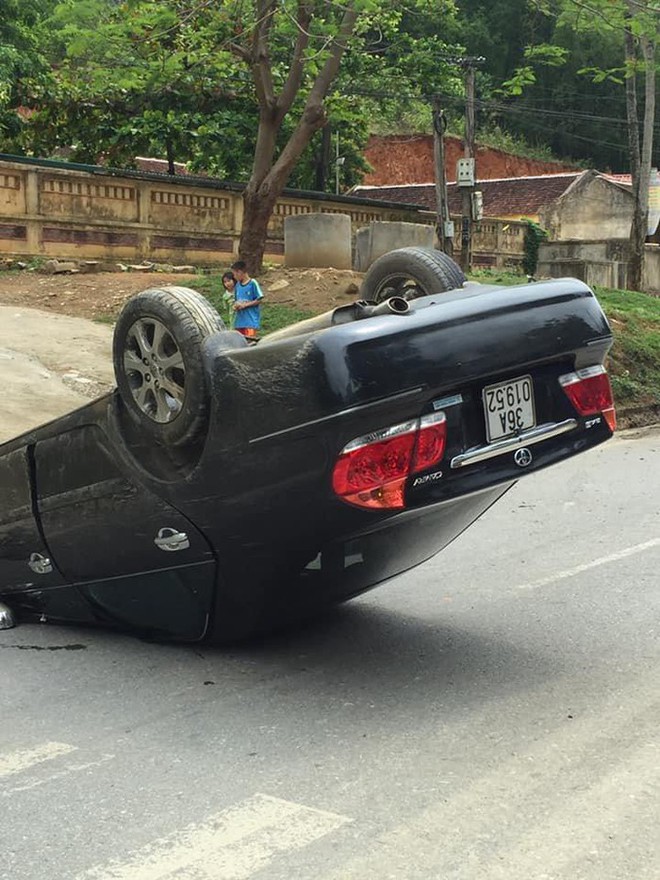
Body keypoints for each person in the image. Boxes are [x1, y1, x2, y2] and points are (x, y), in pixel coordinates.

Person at [231, 259, 264, 340]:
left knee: (250, 341)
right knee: (240, 342)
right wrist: (235, 306)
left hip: (250, 321)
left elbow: (259, 299)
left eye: (234, 274)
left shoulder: (253, 283)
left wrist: (245, 305)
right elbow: (236, 300)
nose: (234, 277)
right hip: (239, 322)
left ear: (240, 272)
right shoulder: (238, 285)